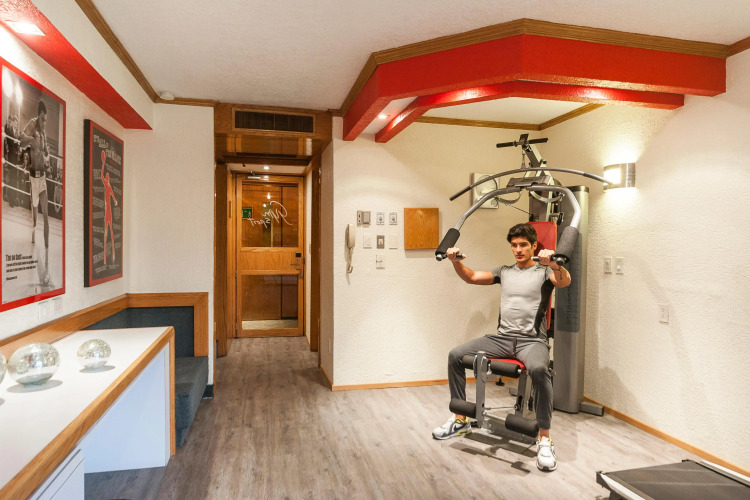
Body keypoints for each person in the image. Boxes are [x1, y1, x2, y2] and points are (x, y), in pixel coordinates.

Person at [432, 223, 571, 472]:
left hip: (532, 341)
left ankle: (544, 438)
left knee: (540, 370)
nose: (518, 250)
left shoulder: (544, 272)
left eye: (523, 245)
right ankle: (460, 420)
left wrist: (555, 264)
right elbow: (472, 277)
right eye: (514, 245)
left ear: (534, 246)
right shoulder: (504, 271)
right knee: (456, 355)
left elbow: (563, 281)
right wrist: (456, 262)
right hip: (502, 338)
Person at [20, 100, 50, 268]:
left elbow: (46, 152)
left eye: (45, 119)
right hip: (33, 176)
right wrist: (32, 140)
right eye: (42, 118)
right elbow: (21, 139)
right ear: (38, 116)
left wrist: (46, 155)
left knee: (46, 214)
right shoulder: (32, 124)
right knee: (35, 212)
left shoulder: (44, 132)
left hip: (43, 176)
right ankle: (33, 234)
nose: (44, 122)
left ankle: (47, 252)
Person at [100, 150, 118, 264]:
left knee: (109, 231)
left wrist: (115, 201)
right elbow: (101, 175)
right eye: (106, 176)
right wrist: (103, 163)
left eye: (107, 177)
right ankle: (107, 258)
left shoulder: (109, 186)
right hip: (108, 209)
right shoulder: (107, 185)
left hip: (109, 210)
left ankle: (111, 256)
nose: (106, 177)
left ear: (108, 179)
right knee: (108, 231)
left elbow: (113, 196)